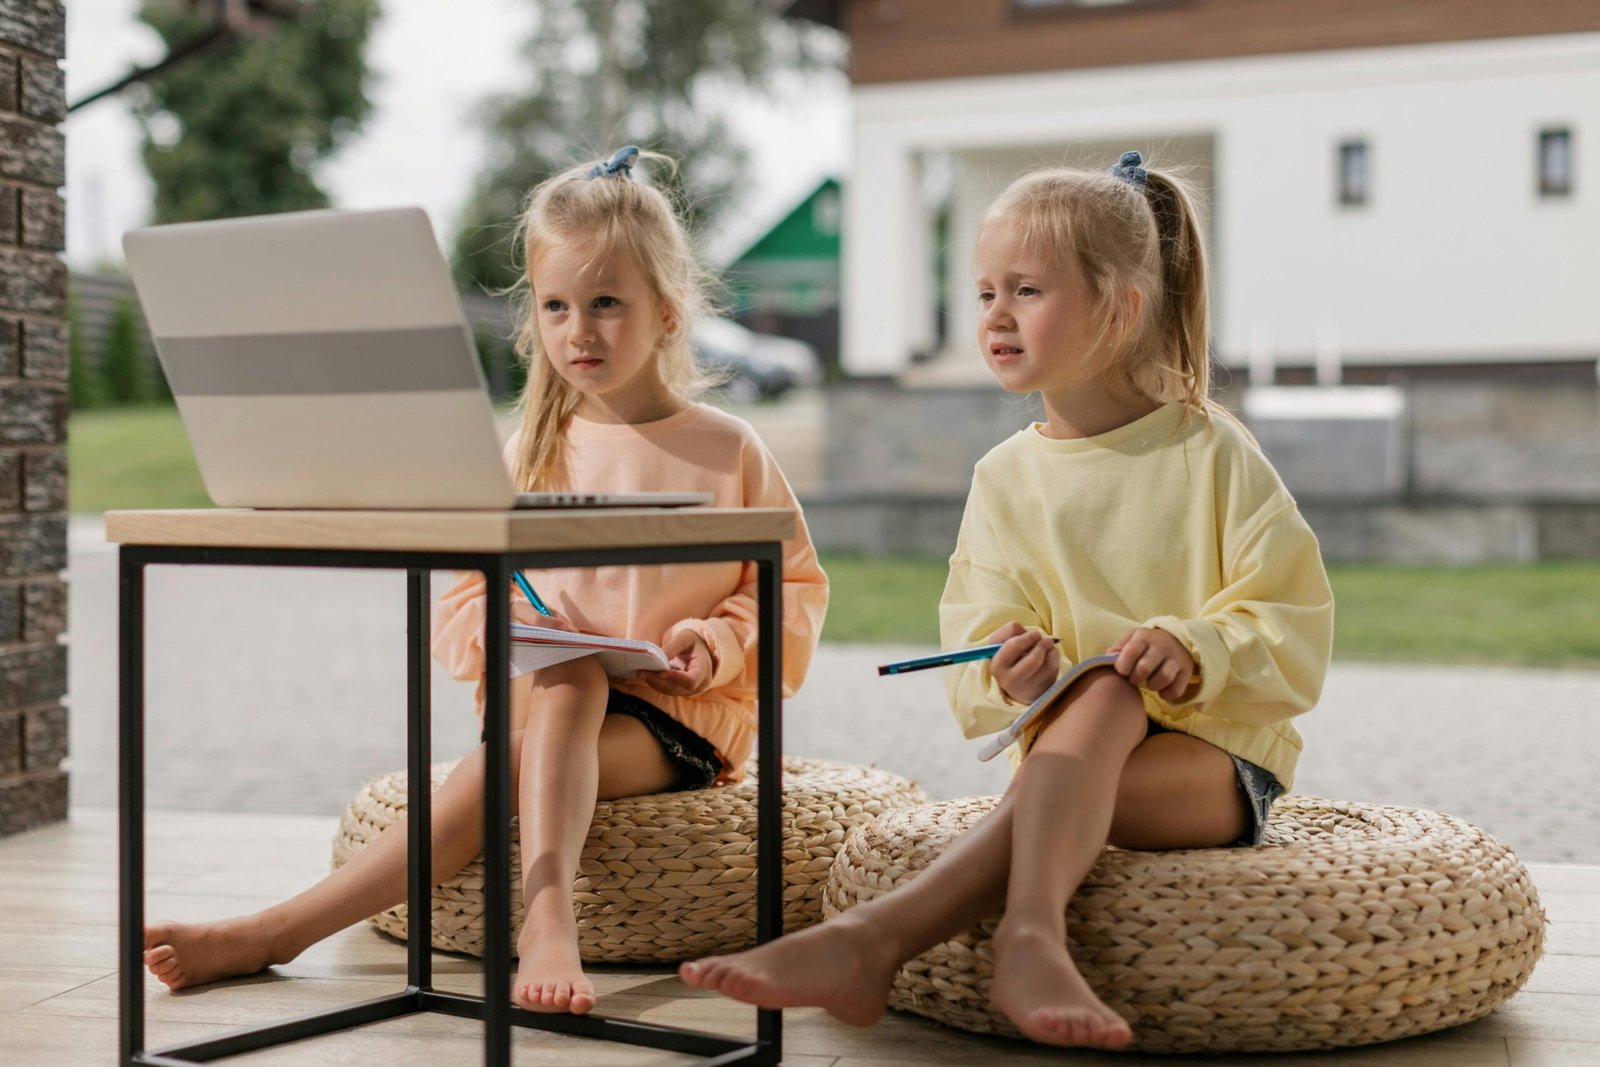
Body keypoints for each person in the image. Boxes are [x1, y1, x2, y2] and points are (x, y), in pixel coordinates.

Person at [142, 147, 829, 1016]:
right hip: (543, 695)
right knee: (568, 673)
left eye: (607, 303)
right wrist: (517, 624)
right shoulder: (525, 452)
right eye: (556, 306)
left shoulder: (727, 448)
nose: (579, 329)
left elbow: (792, 585)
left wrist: (716, 640)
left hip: (681, 720)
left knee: (538, 719)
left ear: (667, 312)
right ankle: (284, 931)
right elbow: (468, 597)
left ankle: (287, 931)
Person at [679, 150, 1334, 1049]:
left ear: (1121, 308)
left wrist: (1196, 648)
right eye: (985, 290)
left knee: (1105, 691)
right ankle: (948, 942)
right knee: (1085, 714)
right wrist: (1011, 672)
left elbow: (1291, 622)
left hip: (1218, 769)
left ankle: (923, 934)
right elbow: (977, 635)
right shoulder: (1003, 479)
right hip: (1065, 763)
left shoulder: (1214, 456)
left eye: (1027, 290)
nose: (995, 314)